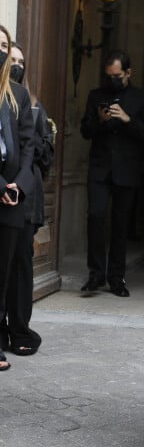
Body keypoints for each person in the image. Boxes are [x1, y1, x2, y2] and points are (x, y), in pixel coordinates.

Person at [80, 50, 144, 297]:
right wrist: (99, 121)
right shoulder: (95, 95)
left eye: (117, 76)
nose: (112, 80)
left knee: (120, 225)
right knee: (96, 217)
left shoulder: (140, 98)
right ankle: (95, 274)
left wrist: (126, 119)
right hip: (100, 169)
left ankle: (116, 278)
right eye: (109, 75)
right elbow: (85, 131)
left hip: (127, 170)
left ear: (128, 73)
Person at [0, 41, 54, 356]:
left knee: (20, 263)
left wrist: (20, 183)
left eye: (20, 59)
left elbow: (43, 151)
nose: (14, 63)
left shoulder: (31, 103)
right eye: (9, 54)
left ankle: (19, 327)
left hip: (23, 194)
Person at [0, 25, 35, 371]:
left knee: (4, 272)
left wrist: (18, 186)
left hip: (12, 197)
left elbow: (29, 146)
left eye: (4, 45)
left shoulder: (18, 95)